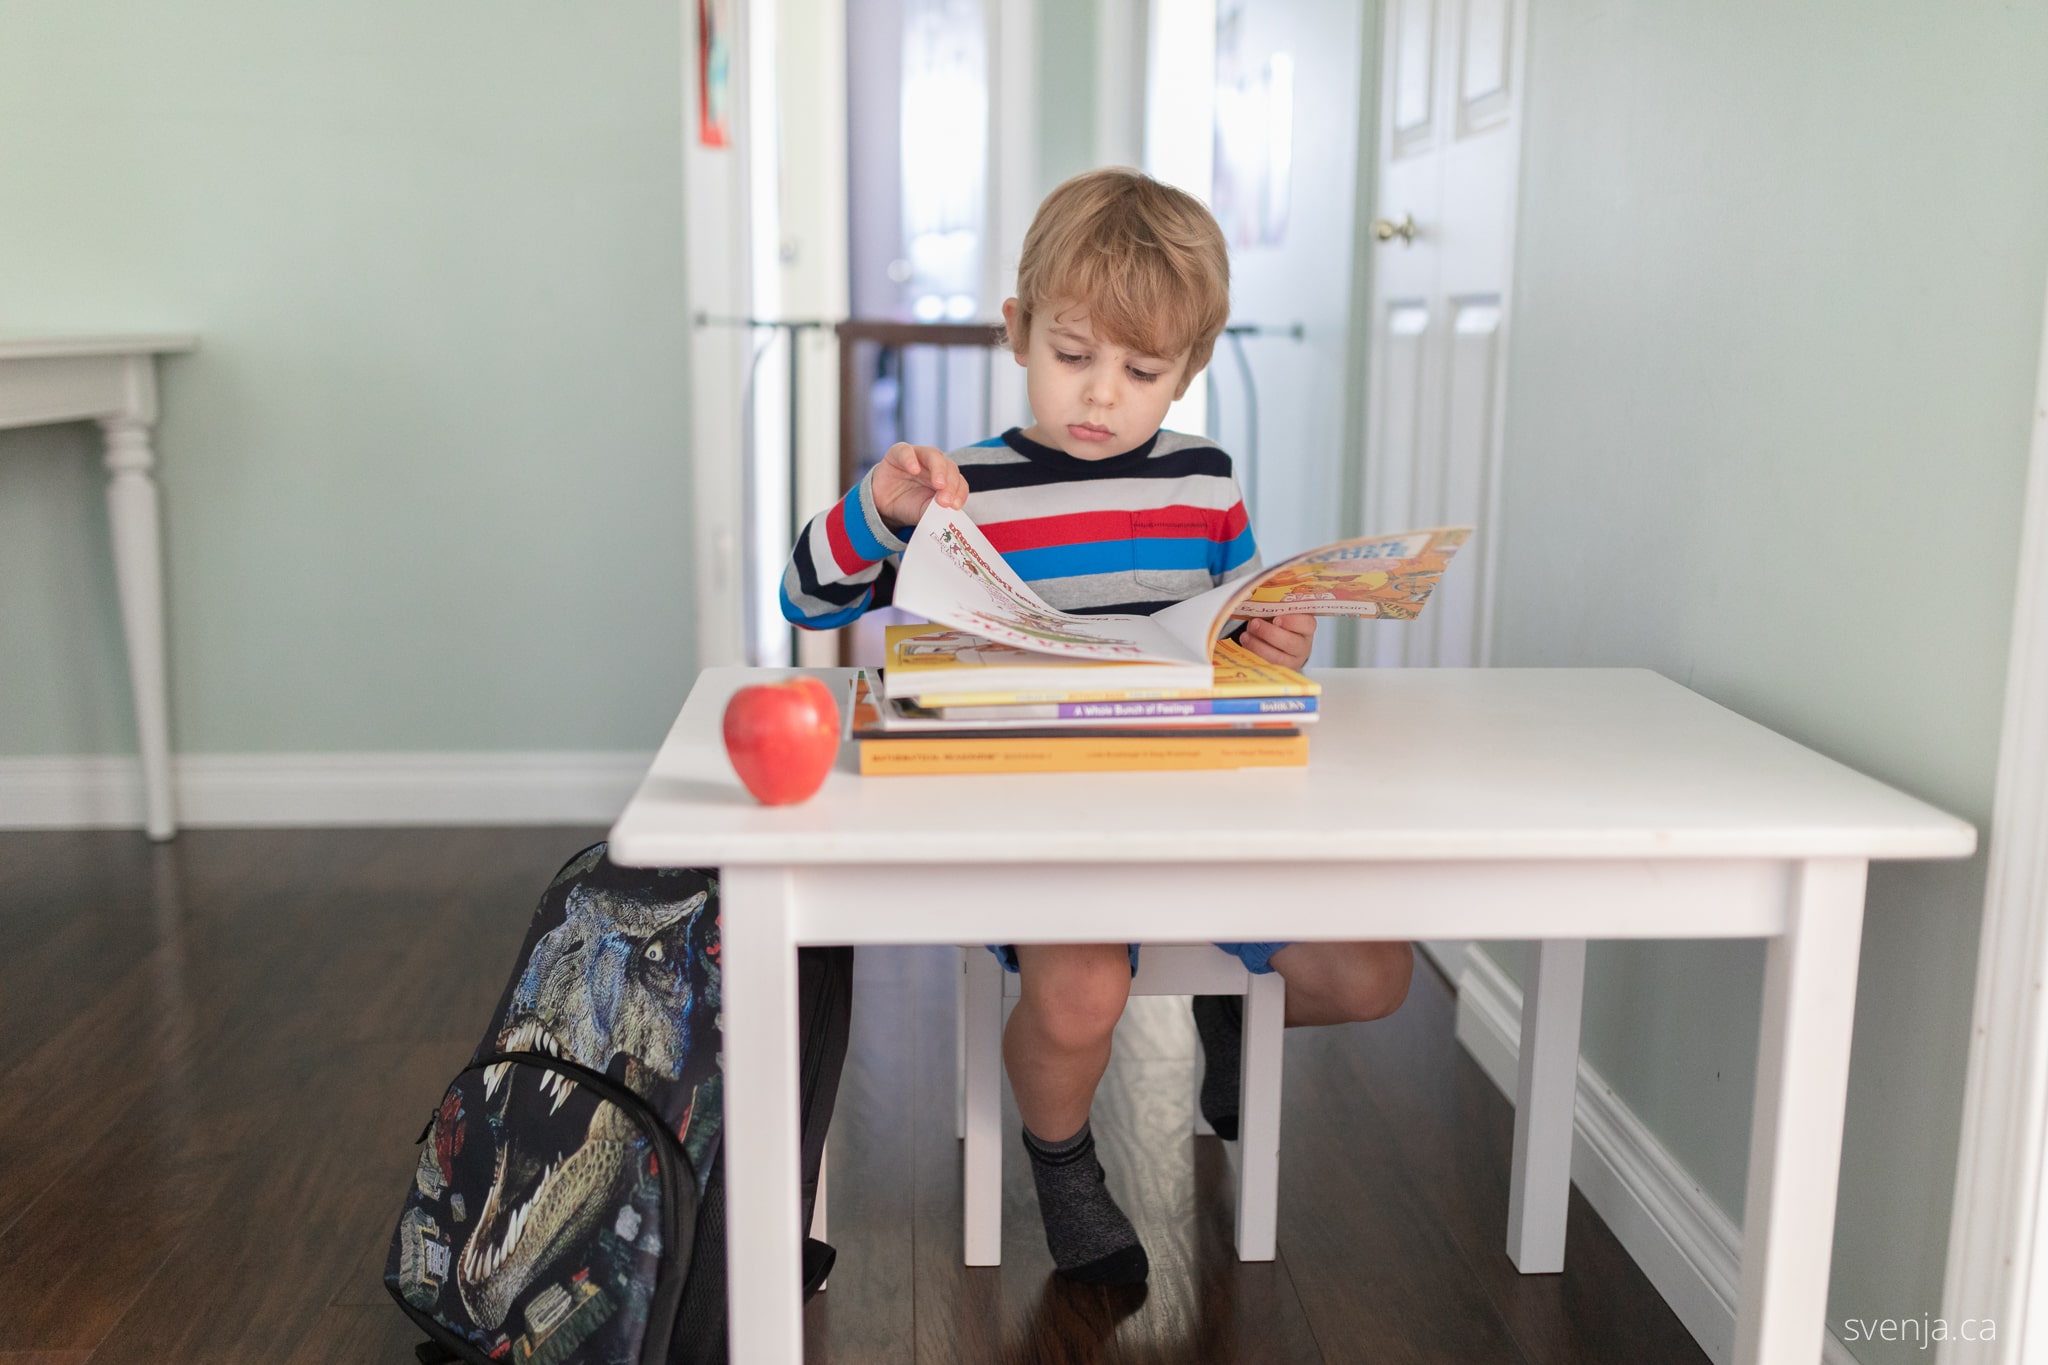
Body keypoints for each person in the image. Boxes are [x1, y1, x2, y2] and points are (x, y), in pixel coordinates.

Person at [781, 167, 1413, 1286]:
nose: (1101, 396)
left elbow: (1226, 631)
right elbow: (808, 601)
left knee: (1370, 973)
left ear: (1190, 367)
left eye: (1141, 370)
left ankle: (1227, 1022)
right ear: (1018, 332)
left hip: (1199, 816)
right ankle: (1063, 1161)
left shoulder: (1204, 481)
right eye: (1072, 356)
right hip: (1041, 822)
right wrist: (877, 512)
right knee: (1079, 993)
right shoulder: (962, 485)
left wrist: (1269, 645)